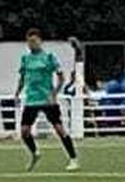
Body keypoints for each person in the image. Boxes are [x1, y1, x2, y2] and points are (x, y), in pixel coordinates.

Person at [16, 28, 79, 172]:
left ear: (40, 41)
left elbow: (61, 77)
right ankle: (35, 153)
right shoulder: (25, 59)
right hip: (31, 99)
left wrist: (54, 93)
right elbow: (22, 77)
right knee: (24, 131)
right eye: (29, 41)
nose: (32, 44)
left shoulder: (49, 57)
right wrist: (17, 92)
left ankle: (73, 158)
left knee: (59, 129)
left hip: (47, 99)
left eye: (34, 41)